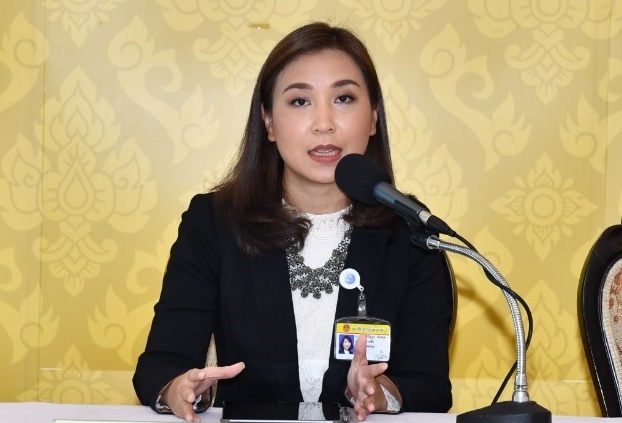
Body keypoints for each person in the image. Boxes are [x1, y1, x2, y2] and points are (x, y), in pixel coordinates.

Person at [133, 21, 453, 422]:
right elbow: (160, 366)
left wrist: (382, 393)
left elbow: (431, 386)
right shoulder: (214, 222)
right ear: (268, 122)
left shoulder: (410, 230)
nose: (324, 123)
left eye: (344, 98)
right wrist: (180, 389)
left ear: (373, 117)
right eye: (300, 101)